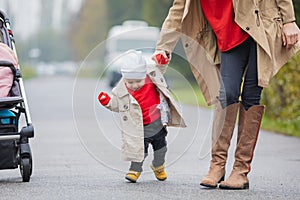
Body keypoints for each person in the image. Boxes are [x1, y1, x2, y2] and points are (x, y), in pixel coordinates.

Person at [152, 0, 300, 189]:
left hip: (259, 27)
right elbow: (178, 11)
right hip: (228, 36)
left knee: (251, 95)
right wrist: (163, 47)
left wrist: (289, 20)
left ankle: (240, 171)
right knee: (227, 94)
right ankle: (217, 166)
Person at [98, 50, 186, 183]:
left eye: (138, 81)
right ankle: (135, 170)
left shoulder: (152, 77)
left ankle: (158, 165)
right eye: (130, 82)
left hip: (156, 124)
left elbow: (160, 69)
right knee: (139, 152)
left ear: (144, 75)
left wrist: (162, 61)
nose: (134, 85)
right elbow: (116, 105)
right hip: (139, 128)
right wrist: (107, 102)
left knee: (161, 148)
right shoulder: (121, 91)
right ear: (124, 78)